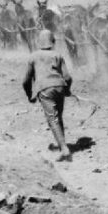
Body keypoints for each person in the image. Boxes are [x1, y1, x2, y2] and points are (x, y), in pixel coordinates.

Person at [22, 30, 73, 162]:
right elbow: (67, 77)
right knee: (58, 117)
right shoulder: (58, 55)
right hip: (60, 87)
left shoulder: (33, 56)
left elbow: (26, 81)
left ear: (39, 42)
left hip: (45, 89)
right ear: (52, 41)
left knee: (52, 119)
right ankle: (62, 144)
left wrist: (29, 95)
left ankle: (64, 149)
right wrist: (67, 90)